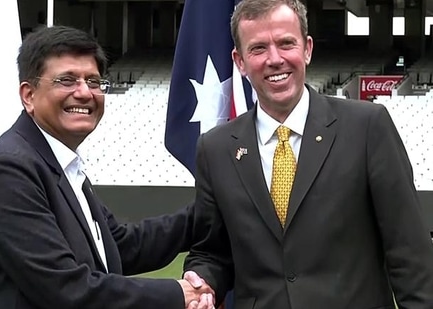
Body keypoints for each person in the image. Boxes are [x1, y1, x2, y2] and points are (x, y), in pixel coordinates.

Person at [183, 0, 433, 308]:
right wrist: (203, 282)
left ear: (307, 49)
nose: (275, 59)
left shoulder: (367, 128)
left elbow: (410, 255)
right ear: (240, 61)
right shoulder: (216, 149)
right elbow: (212, 252)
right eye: (258, 48)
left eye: (286, 43)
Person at [0, 25, 214, 309]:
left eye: (93, 81)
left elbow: (121, 246)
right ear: (28, 95)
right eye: (67, 80)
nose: (84, 93)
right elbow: (65, 288)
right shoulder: (8, 169)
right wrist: (180, 294)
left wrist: (215, 208)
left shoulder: (59, 163)